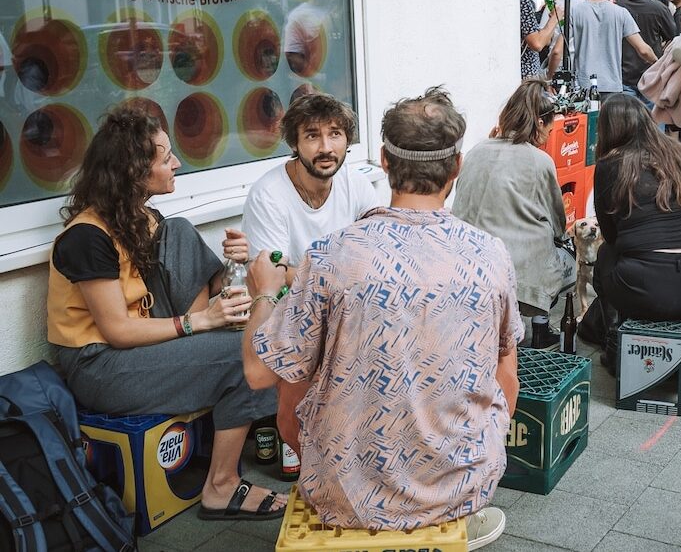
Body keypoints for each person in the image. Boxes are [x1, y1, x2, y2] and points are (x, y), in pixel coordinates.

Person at [242, 87, 520, 550]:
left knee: (302, 376)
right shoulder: (490, 254)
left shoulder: (330, 257)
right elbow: (506, 382)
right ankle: (446, 515)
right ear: (456, 167)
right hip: (462, 485)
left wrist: (266, 292)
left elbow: (258, 375)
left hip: (342, 491)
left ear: (385, 161)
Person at [47, 105, 284, 521]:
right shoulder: (86, 236)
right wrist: (200, 321)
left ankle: (215, 348)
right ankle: (221, 486)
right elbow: (117, 331)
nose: (176, 163)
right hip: (99, 366)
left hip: (143, 345)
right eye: (165, 157)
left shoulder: (143, 220)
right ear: (134, 171)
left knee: (180, 231)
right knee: (249, 353)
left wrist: (236, 264)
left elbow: (201, 287)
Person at [592, 94, 681, 347]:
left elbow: (609, 234)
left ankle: (613, 341)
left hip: (648, 291)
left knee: (606, 253)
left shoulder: (611, 164)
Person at [452, 79, 575, 346]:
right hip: (515, 273)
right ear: (540, 123)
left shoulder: (475, 151)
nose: (549, 136)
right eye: (549, 129)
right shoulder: (540, 161)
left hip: (466, 262)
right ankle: (539, 328)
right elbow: (558, 224)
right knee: (569, 260)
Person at [242, 92, 379, 282]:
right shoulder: (267, 196)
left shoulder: (357, 183)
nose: (326, 148)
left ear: (347, 139)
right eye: (312, 136)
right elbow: (271, 274)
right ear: (294, 143)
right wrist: (337, 280)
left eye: (335, 134)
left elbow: (377, 251)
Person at [571, 0, 656, 94]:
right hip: (612, 86)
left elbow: (558, 51)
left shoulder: (574, 11)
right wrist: (657, 63)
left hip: (583, 85)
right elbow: (643, 50)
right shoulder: (620, 13)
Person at [619, 0, 676, 107]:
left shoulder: (618, 8)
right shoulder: (659, 8)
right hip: (652, 74)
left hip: (623, 75)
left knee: (626, 119)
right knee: (652, 119)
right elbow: (673, 36)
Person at [520, 0, 562, 79]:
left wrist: (552, 21)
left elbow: (545, 41)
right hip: (526, 79)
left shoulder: (519, 2)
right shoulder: (523, 3)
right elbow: (537, 44)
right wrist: (554, 19)